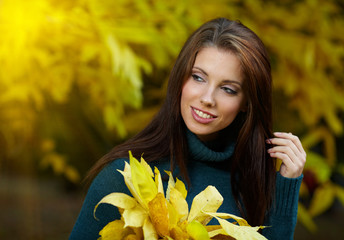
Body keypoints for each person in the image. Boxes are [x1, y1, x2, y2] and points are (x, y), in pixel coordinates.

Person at [69, 17, 306, 239]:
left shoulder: (254, 183)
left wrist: (287, 187)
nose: (207, 98)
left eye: (228, 89)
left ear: (247, 102)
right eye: (198, 77)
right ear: (180, 78)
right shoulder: (124, 176)